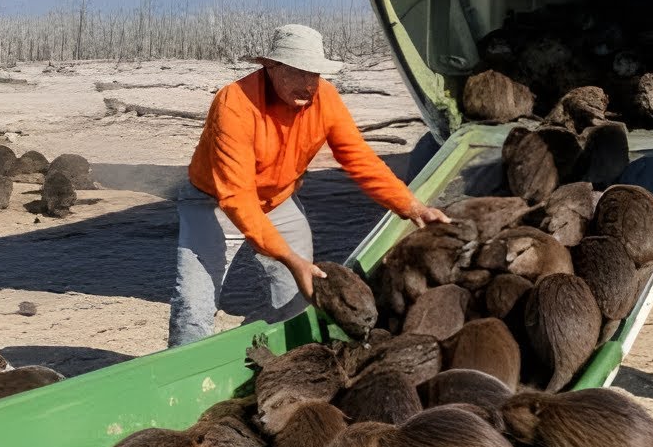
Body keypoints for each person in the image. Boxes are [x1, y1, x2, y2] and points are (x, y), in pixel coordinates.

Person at [169, 23, 450, 347]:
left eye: (313, 74)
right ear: (271, 67)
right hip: (214, 200)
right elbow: (238, 198)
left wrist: (411, 206)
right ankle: (182, 379)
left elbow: (359, 158)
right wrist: (288, 256)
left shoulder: (324, 99)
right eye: (297, 72)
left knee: (295, 296)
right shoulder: (235, 103)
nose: (307, 84)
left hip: (278, 200)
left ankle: (276, 359)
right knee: (193, 303)